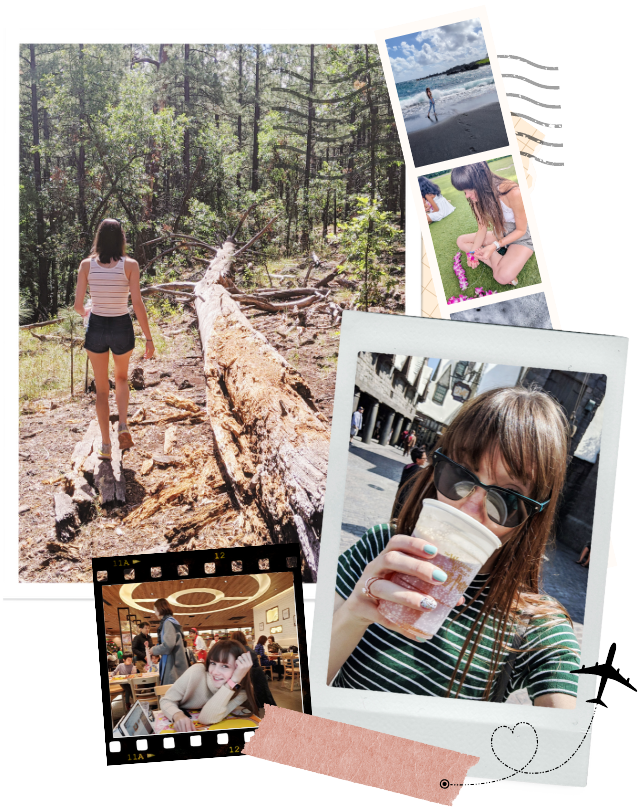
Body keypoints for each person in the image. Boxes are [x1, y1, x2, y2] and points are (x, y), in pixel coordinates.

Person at [328, 386, 581, 708]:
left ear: (533, 513)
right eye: (460, 475)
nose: (469, 507)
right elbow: (288, 693)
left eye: (508, 497)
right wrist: (353, 613)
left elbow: (573, 746)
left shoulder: (536, 627)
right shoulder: (379, 550)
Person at [74, 218, 155, 461]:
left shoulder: (86, 265)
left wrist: (88, 311)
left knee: (101, 390)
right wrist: (148, 338)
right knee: (121, 378)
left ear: (99, 238)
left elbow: (78, 306)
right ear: (121, 238)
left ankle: (106, 446)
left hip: (97, 326)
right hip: (121, 326)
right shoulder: (130, 265)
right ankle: (122, 424)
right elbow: (137, 303)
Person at [451, 162, 534, 287]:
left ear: (481, 180)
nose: (467, 195)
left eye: (469, 189)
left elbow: (521, 230)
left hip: (522, 237)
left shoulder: (512, 192)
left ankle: (498, 262)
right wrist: (473, 254)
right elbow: (482, 228)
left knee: (501, 277)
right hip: (501, 232)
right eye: (464, 191)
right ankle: (496, 259)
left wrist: (493, 246)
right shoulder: (475, 197)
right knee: (461, 241)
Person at [160, 640, 258, 732]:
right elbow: (166, 700)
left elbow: (206, 718)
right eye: (213, 663)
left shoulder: (240, 690)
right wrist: (177, 715)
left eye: (225, 666)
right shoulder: (197, 672)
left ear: (240, 669)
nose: (215, 672)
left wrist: (233, 682)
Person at [231, 631, 276, 712]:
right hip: (258, 674)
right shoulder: (248, 649)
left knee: (247, 693)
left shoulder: (236, 650)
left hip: (247, 675)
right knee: (261, 694)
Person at [150, 598, 189, 686]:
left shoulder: (167, 623)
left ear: (160, 609)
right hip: (176, 663)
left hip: (172, 665)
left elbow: (168, 645)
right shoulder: (172, 622)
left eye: (155, 610)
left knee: (171, 693)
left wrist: (154, 650)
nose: (155, 613)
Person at [392, 446, 428, 520]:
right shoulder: (419, 471)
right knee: (401, 518)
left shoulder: (407, 466)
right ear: (417, 459)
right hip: (407, 498)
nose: (426, 460)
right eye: (424, 458)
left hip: (400, 494)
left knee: (395, 515)